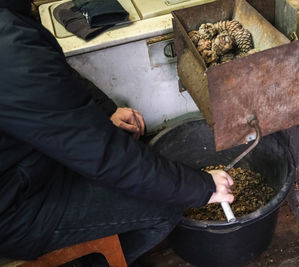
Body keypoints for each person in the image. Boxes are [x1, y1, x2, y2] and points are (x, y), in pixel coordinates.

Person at [0, 0, 234, 265]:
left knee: (137, 161)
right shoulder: (7, 45)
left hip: (28, 166)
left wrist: (105, 110)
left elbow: (50, 78)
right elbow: (103, 155)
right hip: (15, 208)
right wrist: (202, 188)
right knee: (165, 207)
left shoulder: (11, 24)